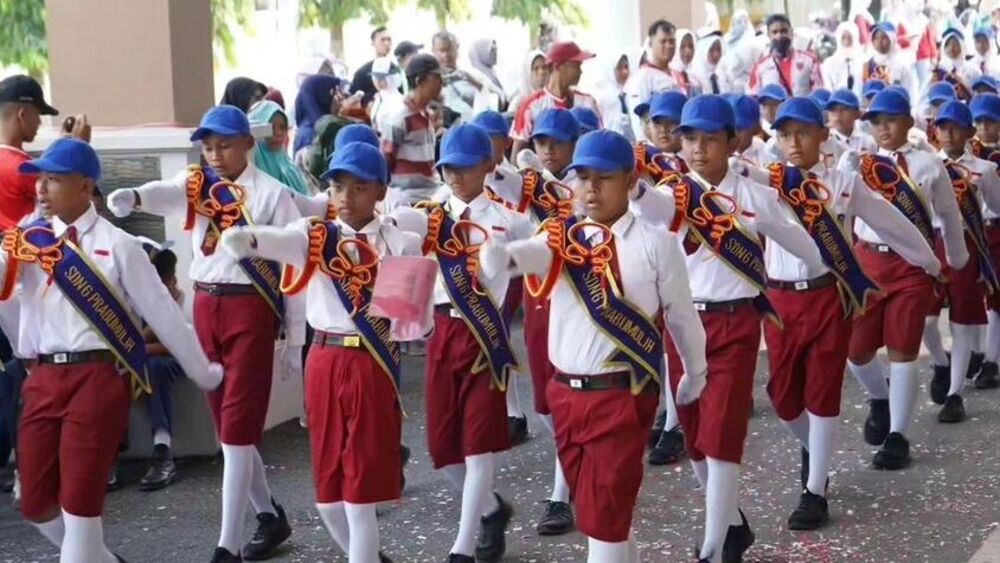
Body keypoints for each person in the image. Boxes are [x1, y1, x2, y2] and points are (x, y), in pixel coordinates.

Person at [478, 129, 709, 563]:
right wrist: (498, 256)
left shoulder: (657, 243)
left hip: (622, 395)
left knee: (603, 521)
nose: (591, 188)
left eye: (603, 177)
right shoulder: (560, 237)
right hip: (566, 398)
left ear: (630, 178)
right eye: (582, 177)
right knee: (603, 518)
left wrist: (695, 373)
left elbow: (682, 316)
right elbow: (523, 256)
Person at [4, 138, 221, 562]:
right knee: (36, 505)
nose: (41, 189)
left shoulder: (120, 245)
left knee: (81, 507)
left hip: (97, 378)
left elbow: (162, 313)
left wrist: (201, 370)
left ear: (85, 187)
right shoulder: (27, 241)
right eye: (40, 180)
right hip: (43, 377)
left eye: (53, 180)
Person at [107, 105, 305, 562]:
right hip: (206, 305)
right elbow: (167, 193)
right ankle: (268, 516)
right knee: (227, 425)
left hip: (251, 309)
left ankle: (226, 545)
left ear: (248, 145)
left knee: (236, 430)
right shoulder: (198, 186)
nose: (215, 155)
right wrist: (135, 196)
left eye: (225, 145)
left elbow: (296, 266)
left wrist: (296, 338)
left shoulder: (275, 195)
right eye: (208, 146)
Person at [635, 94, 824, 563]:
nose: (698, 148)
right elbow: (655, 212)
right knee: (697, 440)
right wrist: (637, 191)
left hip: (735, 324)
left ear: (733, 141)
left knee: (721, 441)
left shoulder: (754, 194)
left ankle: (714, 548)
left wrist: (824, 267)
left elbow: (795, 236)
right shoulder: (674, 193)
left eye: (709, 139)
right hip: (682, 325)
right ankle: (733, 524)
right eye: (690, 138)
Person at [220, 142, 418, 563]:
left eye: (358, 187)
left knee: (360, 496)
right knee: (329, 496)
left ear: (380, 192)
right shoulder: (315, 235)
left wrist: (405, 296)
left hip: (371, 361)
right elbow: (281, 242)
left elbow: (411, 324)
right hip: (324, 359)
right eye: (337, 185)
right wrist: (250, 239)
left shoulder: (396, 240)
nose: (345, 196)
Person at [763, 98, 940, 530]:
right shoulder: (766, 185)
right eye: (785, 135)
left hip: (829, 298)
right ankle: (814, 450)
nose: (793, 142)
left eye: (803, 132)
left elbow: (890, 222)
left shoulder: (843, 183)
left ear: (823, 135)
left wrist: (929, 260)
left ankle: (815, 491)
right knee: (784, 399)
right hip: (780, 301)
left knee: (823, 390)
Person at [393, 124, 531, 562]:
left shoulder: (511, 222)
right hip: (441, 332)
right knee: (441, 447)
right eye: (448, 167)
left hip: (484, 338)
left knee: (478, 444)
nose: (455, 175)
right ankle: (491, 510)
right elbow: (398, 252)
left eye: (466, 167)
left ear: (488, 167)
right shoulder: (427, 214)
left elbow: (532, 273)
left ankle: (462, 546)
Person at [846, 88, 967, 471]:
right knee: (856, 349)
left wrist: (957, 258)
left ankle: (898, 435)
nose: (883, 128)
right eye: (876, 122)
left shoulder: (929, 165)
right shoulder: (858, 164)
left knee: (902, 349)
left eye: (890, 120)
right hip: (868, 264)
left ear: (909, 122)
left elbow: (948, 215)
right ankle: (879, 399)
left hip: (912, 266)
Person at [921, 101, 1000, 421]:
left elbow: (995, 204)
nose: (948, 133)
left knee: (964, 319)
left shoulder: (985, 169)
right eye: (942, 127)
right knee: (925, 320)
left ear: (968, 132)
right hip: (931, 242)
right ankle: (941, 362)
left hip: (969, 243)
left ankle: (954, 393)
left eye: (955, 127)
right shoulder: (925, 164)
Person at [136, 242, 191, 492]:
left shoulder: (184, 299)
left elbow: (178, 345)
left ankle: (162, 449)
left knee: (156, 367)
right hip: (144, 359)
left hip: (189, 358)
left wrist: (140, 348)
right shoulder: (136, 298)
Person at [511, 41, 600, 154]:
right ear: (560, 67)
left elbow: (599, 142)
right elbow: (518, 154)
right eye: (576, 65)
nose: (580, 71)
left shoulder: (587, 102)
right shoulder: (531, 106)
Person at [382, 54, 444, 209]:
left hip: (431, 193)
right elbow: (385, 161)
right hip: (407, 198)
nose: (441, 83)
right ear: (419, 81)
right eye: (436, 78)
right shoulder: (399, 117)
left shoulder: (426, 114)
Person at [0, 75, 60, 230]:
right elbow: (71, 202)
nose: (39, 122)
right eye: (38, 114)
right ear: (22, 115)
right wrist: (78, 146)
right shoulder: (25, 167)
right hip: (26, 250)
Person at [972, 93, 1000, 389]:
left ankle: (991, 360)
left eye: (989, 121)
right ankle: (977, 352)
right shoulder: (967, 154)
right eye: (978, 121)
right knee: (972, 294)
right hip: (974, 231)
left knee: (995, 298)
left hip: (998, 230)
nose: (983, 127)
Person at [625, 20, 681, 140]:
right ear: (650, 43)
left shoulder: (677, 75)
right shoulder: (642, 77)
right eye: (663, 41)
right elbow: (638, 121)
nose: (669, 46)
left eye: (672, 41)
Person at [748, 14, 823, 97]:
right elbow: (754, 96)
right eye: (774, 32)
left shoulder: (809, 61)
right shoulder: (760, 67)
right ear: (769, 35)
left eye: (784, 31)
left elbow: (818, 92)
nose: (779, 35)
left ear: (791, 32)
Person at [247, 100, 311, 196]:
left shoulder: (291, 169)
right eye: (271, 127)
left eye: (282, 127)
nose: (278, 133)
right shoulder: (251, 168)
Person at [293, 74, 355, 156]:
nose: (340, 104)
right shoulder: (308, 134)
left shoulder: (324, 127)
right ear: (323, 98)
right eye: (336, 97)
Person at [861, 22, 919, 108]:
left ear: (892, 39)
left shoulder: (901, 66)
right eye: (876, 38)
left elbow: (910, 93)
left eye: (884, 37)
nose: (879, 41)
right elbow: (862, 94)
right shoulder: (867, 65)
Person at [432, 31, 484, 123]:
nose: (446, 55)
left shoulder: (473, 74)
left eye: (449, 49)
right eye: (441, 51)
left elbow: (497, 97)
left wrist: (475, 83)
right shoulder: (429, 81)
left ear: (457, 48)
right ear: (433, 51)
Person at [351, 26, 399, 108]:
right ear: (373, 42)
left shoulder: (396, 71)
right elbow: (354, 100)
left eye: (389, 40)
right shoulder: (362, 73)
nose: (386, 43)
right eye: (382, 40)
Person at [594, 50, 637, 141]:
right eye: (619, 68)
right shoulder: (603, 96)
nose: (625, 72)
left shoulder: (627, 93)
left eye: (626, 67)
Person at [721, 9, 765, 95]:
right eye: (739, 21)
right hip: (729, 85)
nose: (743, 24)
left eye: (745, 21)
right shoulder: (725, 41)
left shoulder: (755, 42)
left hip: (749, 85)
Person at [931, 28, 980, 101]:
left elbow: (978, 94)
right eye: (948, 45)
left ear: (962, 46)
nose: (951, 48)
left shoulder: (973, 69)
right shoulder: (938, 70)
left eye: (955, 44)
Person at [826, 89, 877, 153]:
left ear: (857, 114)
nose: (837, 114)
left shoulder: (868, 142)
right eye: (833, 110)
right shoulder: (824, 143)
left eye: (844, 109)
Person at [821, 23, 863, 96]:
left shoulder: (863, 61)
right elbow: (829, 88)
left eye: (850, 37)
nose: (846, 41)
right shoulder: (829, 63)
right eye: (843, 37)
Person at [468, 39, 508, 113]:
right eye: (492, 51)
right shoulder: (474, 76)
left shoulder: (493, 73)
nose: (496, 54)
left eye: (496, 51)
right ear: (482, 53)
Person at [370, 56, 406, 137]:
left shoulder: (398, 101)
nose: (378, 81)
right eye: (376, 77)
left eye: (382, 77)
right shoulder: (379, 98)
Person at [508, 50, 550, 118]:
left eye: (544, 67)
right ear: (528, 72)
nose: (541, 72)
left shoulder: (552, 98)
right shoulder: (518, 102)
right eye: (536, 68)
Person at [691, 31, 733, 95]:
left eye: (719, 49)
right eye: (711, 50)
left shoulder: (724, 74)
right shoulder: (694, 77)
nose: (716, 54)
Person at [670, 28, 704, 96]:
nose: (688, 51)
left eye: (691, 47)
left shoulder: (694, 78)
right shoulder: (669, 77)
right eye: (682, 47)